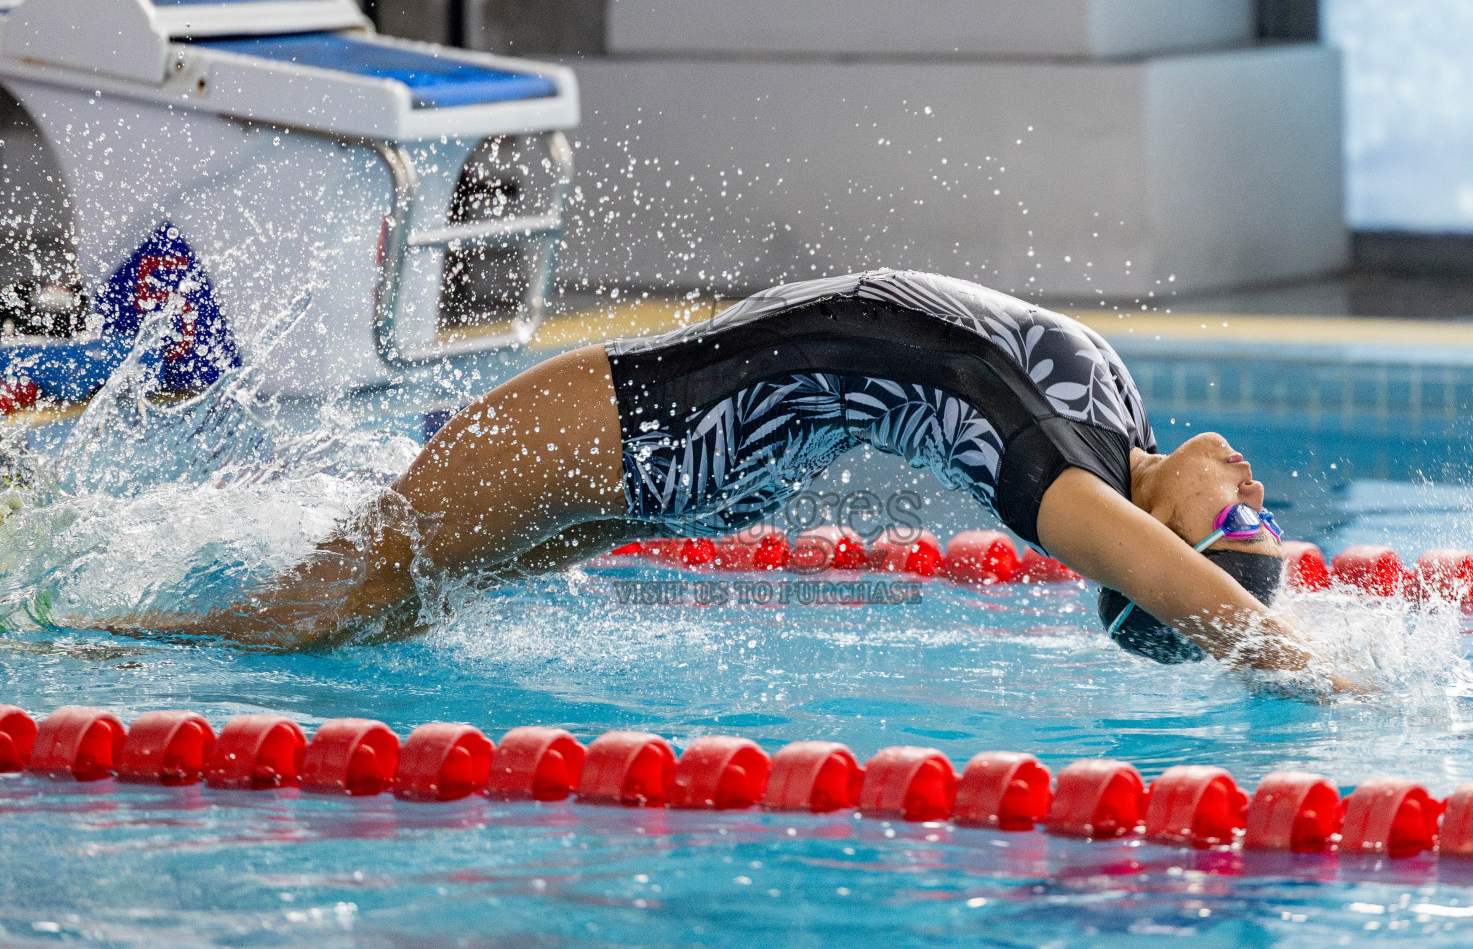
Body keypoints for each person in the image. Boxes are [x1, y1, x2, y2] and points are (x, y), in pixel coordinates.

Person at [130, 270, 1310, 676]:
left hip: (612, 430)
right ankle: (142, 615)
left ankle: (92, 641)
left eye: (1239, 520)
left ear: (1168, 545)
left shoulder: (1046, 467)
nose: (1252, 486)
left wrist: (1322, 672)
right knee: (359, 612)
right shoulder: (1113, 422)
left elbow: (1161, 582)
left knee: (296, 618)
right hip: (648, 453)